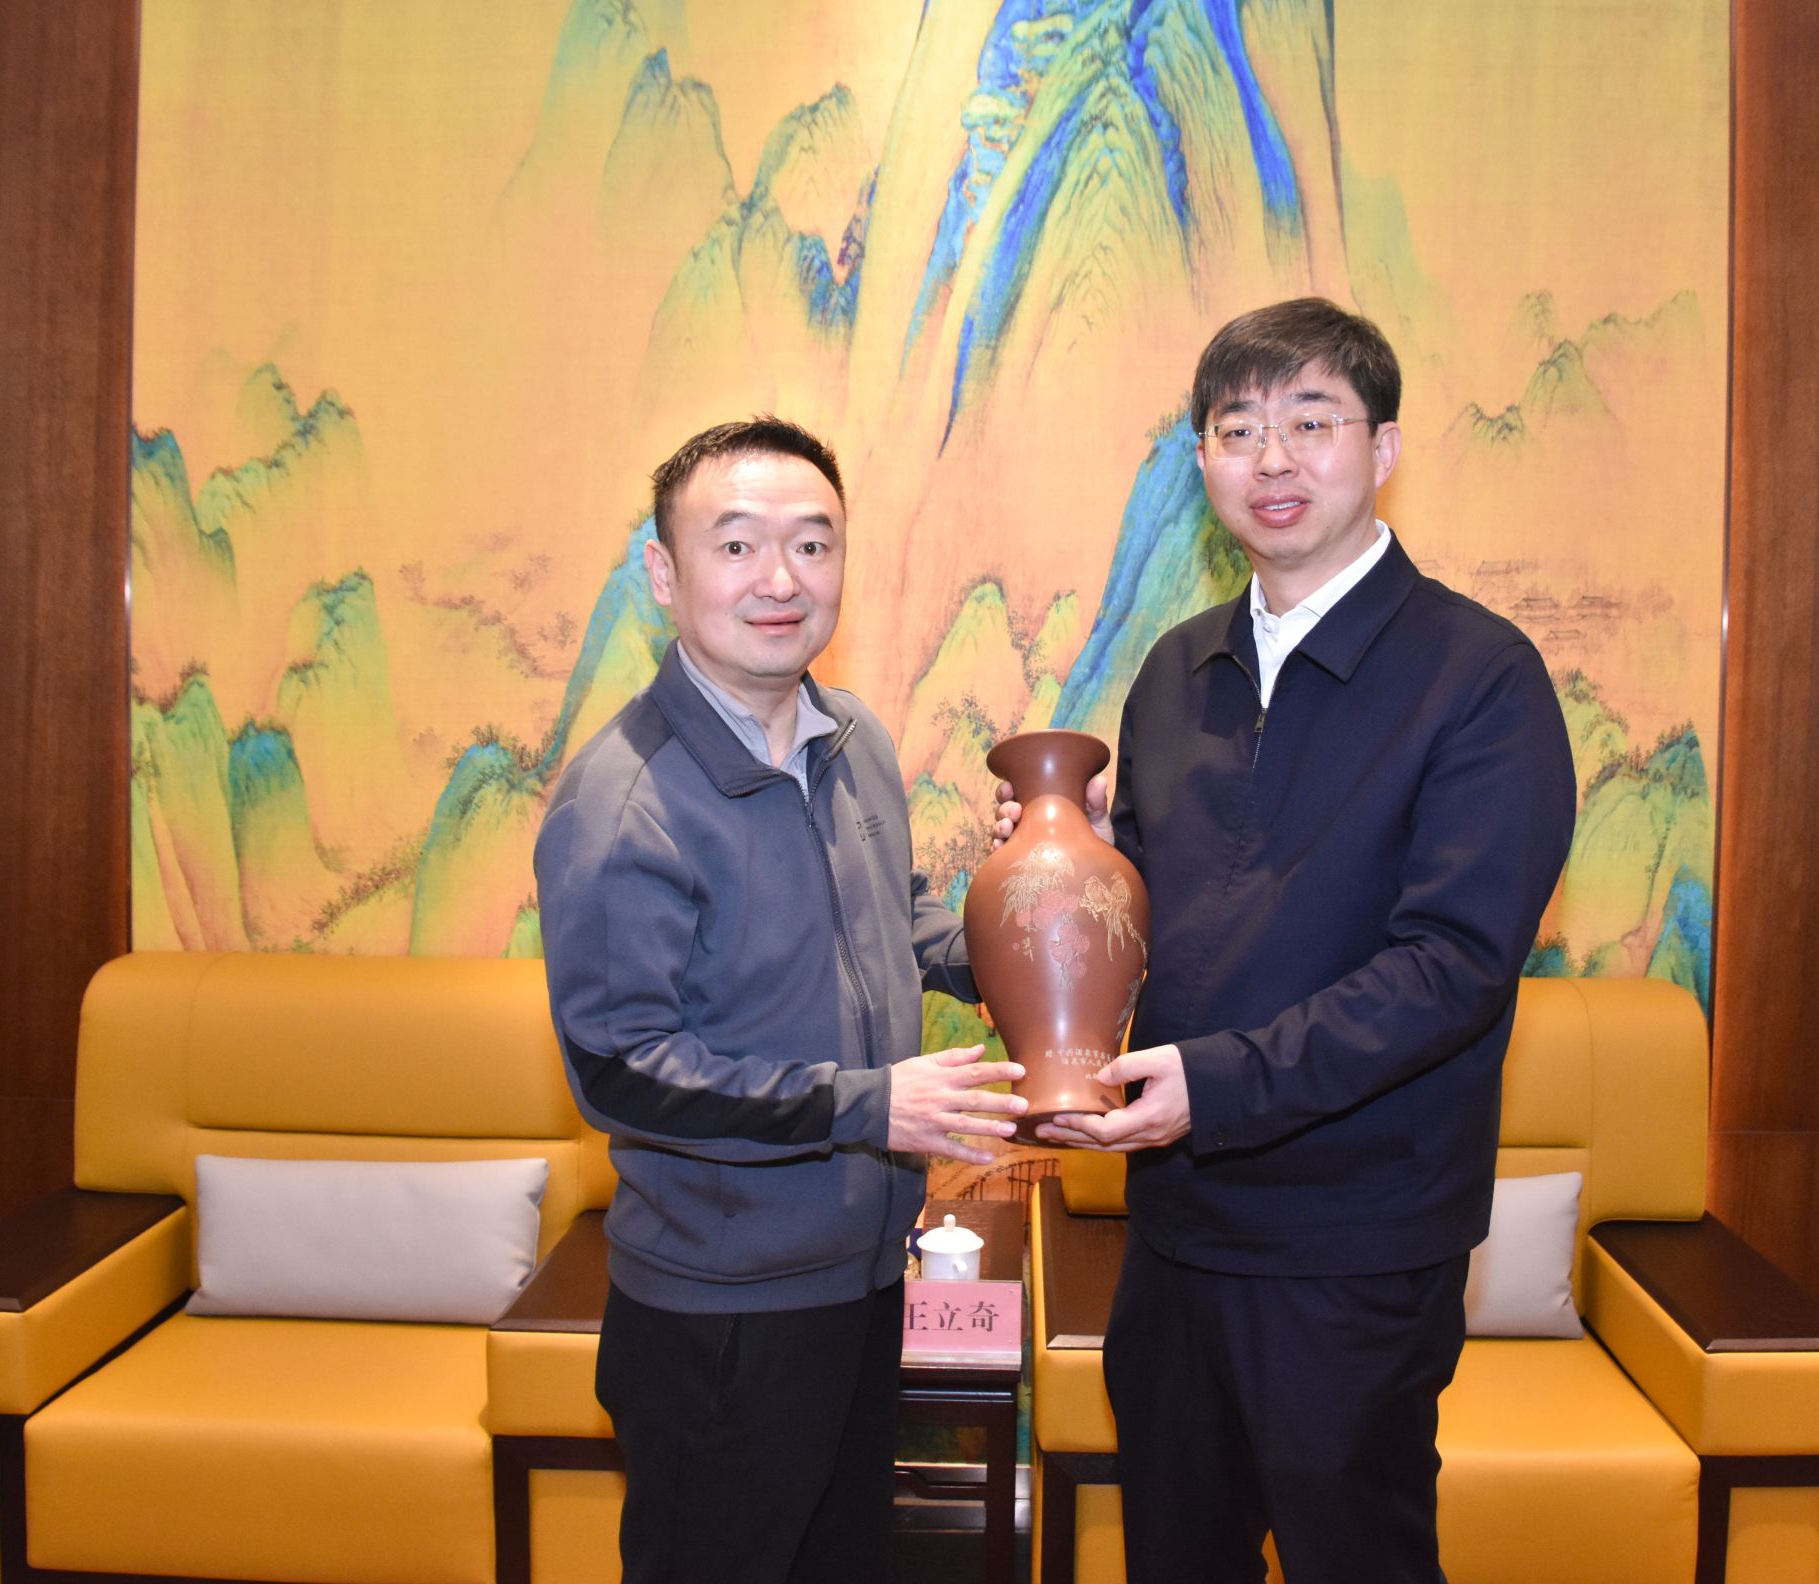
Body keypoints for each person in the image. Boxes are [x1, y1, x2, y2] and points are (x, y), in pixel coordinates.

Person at [998, 299, 1577, 1582]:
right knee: (1174, 1554)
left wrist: (1215, 1084)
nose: (1271, 458)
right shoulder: (1174, 670)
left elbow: (1452, 967)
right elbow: (1146, 915)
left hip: (1357, 1244)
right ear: (1200, 461)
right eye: (1236, 427)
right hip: (1175, 1227)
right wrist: (1063, 865)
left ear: (1382, 449)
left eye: (1311, 422)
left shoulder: (1480, 677)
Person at [535, 416, 1027, 1584]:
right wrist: (867, 1106)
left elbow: (901, 923)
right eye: (736, 545)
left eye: (811, 545)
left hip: (867, 1280)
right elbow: (620, 1071)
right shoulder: (621, 802)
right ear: (664, 574)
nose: (779, 580)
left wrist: (1032, 913)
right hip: (719, 1314)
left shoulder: (852, 739)